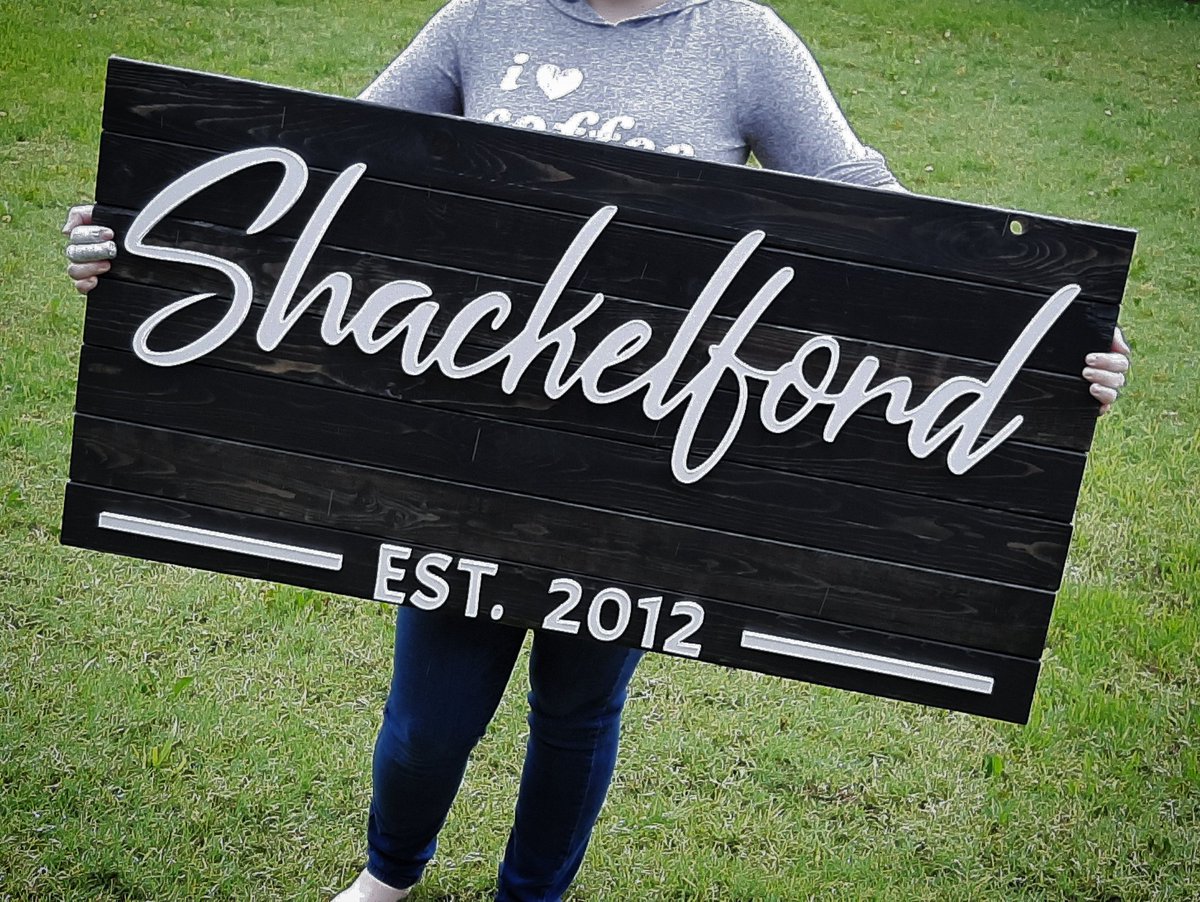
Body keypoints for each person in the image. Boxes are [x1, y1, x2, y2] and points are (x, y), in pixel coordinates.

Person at [62, 1, 1132, 899]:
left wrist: (1039, 344)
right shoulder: (486, 18)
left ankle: (532, 894)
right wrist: (144, 241)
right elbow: (324, 158)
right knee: (429, 717)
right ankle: (389, 872)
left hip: (643, 462)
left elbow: (874, 217)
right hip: (464, 442)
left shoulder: (740, 38)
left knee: (577, 707)